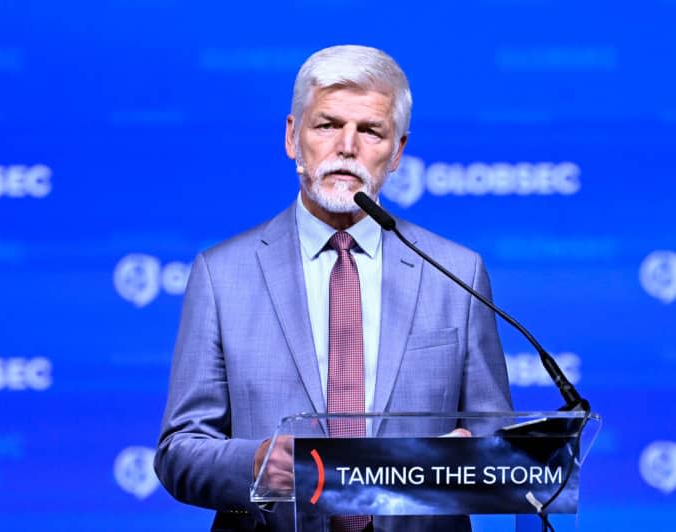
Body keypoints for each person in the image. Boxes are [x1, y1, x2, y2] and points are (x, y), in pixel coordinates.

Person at [154, 44, 512, 532]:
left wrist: (462, 464)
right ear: (292, 137)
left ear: (398, 151)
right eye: (327, 125)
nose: (347, 146)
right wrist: (256, 465)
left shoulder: (456, 271)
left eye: (370, 131)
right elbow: (179, 452)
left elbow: (502, 447)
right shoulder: (221, 274)